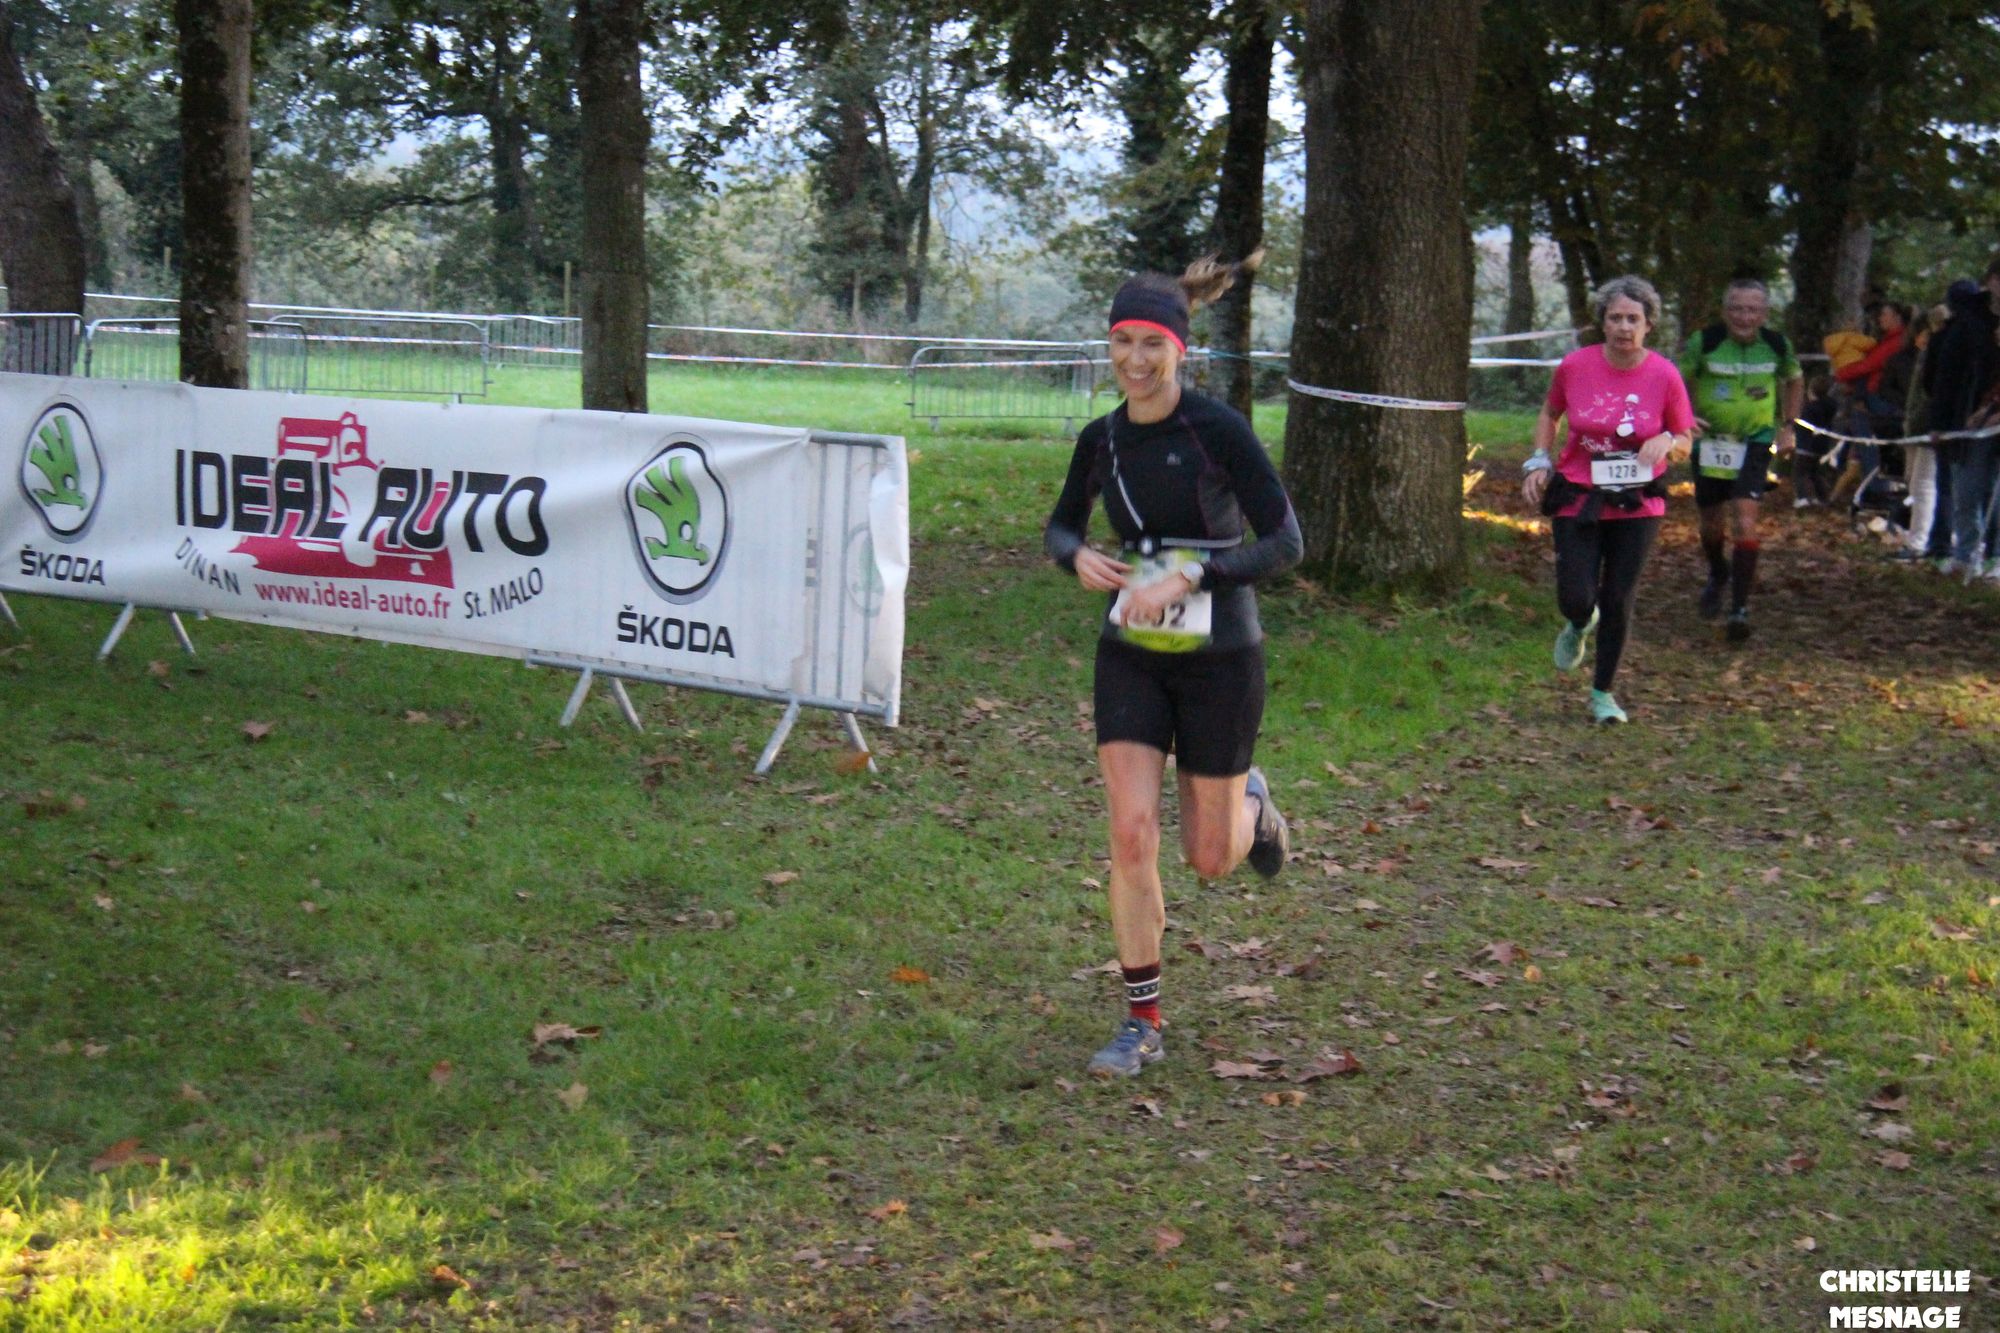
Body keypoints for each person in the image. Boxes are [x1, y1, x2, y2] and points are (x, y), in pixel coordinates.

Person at [1044, 252, 1302, 1079]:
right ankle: (1141, 1020)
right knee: (1129, 831)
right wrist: (1076, 555)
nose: (1136, 360)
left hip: (1221, 656)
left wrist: (1195, 574)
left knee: (1210, 857)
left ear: (1179, 350)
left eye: (1152, 344)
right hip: (1131, 652)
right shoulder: (1102, 438)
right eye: (1123, 341)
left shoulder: (1217, 430)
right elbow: (1060, 526)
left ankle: (1252, 804)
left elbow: (1286, 541)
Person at [1522, 275, 1694, 724]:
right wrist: (1539, 459)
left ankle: (1603, 694)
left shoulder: (1664, 374)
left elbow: (1685, 437)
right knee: (1576, 596)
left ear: (1648, 325)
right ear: (1602, 323)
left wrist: (1667, 441)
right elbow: (1550, 412)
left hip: (1638, 500)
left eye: (1633, 319)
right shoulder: (1575, 366)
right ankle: (1580, 622)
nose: (1624, 327)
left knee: (1618, 597)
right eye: (1615, 318)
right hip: (1578, 493)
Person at [1676, 279, 1803, 640]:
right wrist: (1684, 417)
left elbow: (1795, 380)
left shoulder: (1776, 345)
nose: (1744, 317)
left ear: (1764, 314)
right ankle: (1718, 571)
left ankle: (1739, 608)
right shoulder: (1705, 341)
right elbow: (1676, 379)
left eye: (1752, 310)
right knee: (1711, 524)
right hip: (1710, 442)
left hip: (1755, 441)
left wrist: (1788, 426)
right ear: (1724, 311)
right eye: (1736, 309)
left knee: (1746, 521)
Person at [1922, 275, 2000, 578]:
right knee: (1967, 489)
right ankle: (1966, 555)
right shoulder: (1966, 324)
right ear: (1991, 282)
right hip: (1969, 420)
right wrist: (1939, 423)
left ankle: (1995, 557)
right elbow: (1945, 377)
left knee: (1996, 493)